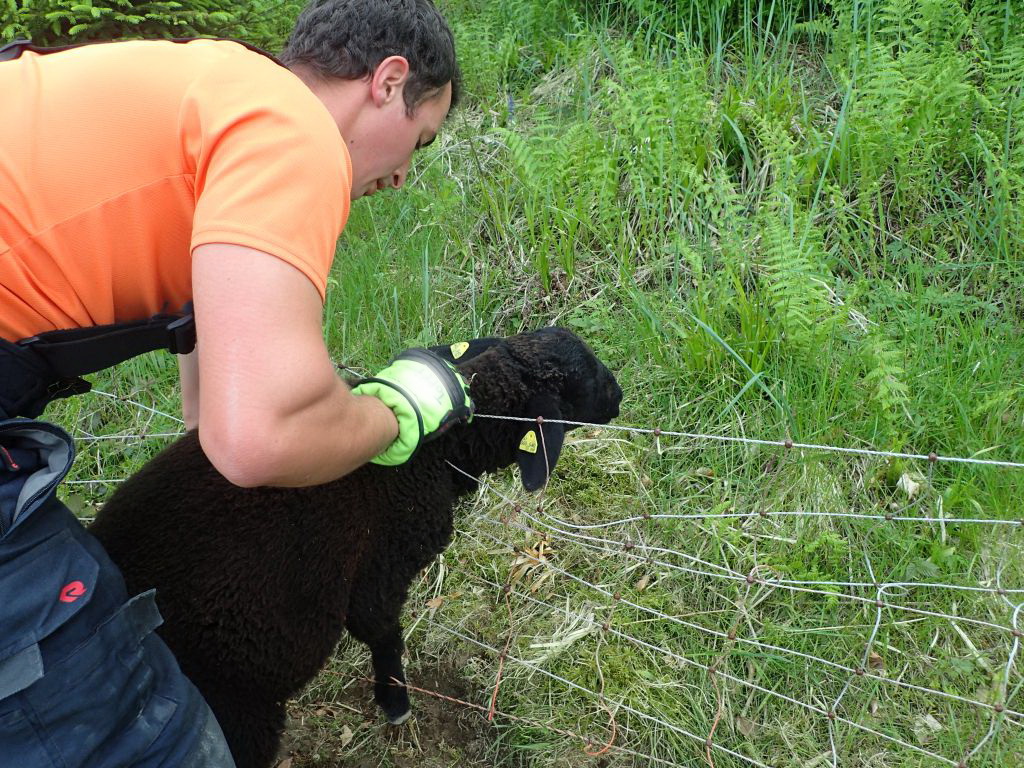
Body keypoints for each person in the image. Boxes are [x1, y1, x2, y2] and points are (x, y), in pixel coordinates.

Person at [0, 0, 471, 765]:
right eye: (418, 139)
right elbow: (253, 437)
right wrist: (399, 412)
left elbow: (205, 414)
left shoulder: (216, 86)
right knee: (145, 736)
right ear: (388, 82)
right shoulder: (292, 131)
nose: (403, 174)